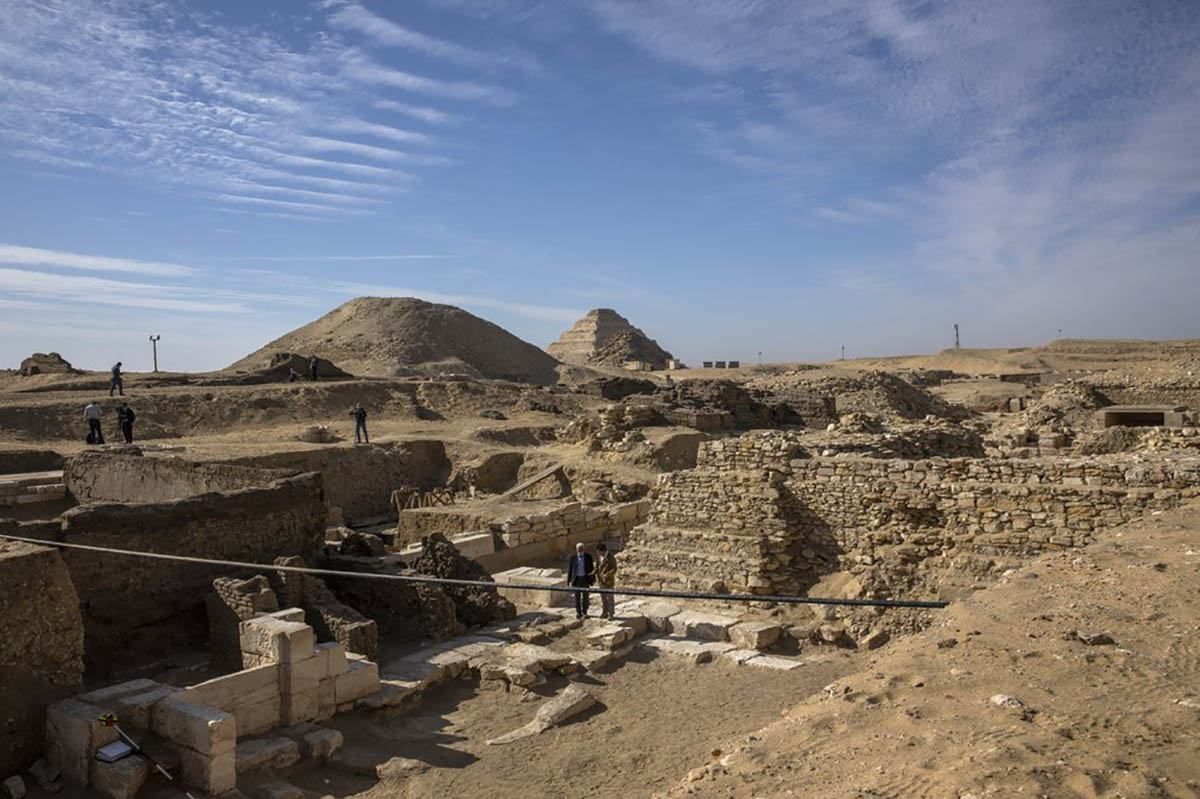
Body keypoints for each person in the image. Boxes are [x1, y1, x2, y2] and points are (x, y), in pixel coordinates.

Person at [566, 542, 595, 619]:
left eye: (581, 549)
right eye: (578, 549)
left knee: (585, 597)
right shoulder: (573, 558)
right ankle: (578, 612)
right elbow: (570, 570)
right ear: (576, 549)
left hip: (585, 579)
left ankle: (585, 612)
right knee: (577, 597)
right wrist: (568, 581)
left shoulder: (588, 557)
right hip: (576, 579)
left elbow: (592, 569)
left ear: (583, 549)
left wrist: (592, 579)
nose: (580, 550)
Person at [595, 542, 618, 619]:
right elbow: (597, 566)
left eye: (598, 551)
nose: (597, 553)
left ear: (602, 550)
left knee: (609, 598)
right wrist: (594, 572)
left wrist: (607, 575)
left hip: (608, 581)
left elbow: (614, 569)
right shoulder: (599, 557)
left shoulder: (610, 557)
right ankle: (605, 612)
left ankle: (611, 613)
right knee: (603, 598)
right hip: (601, 581)